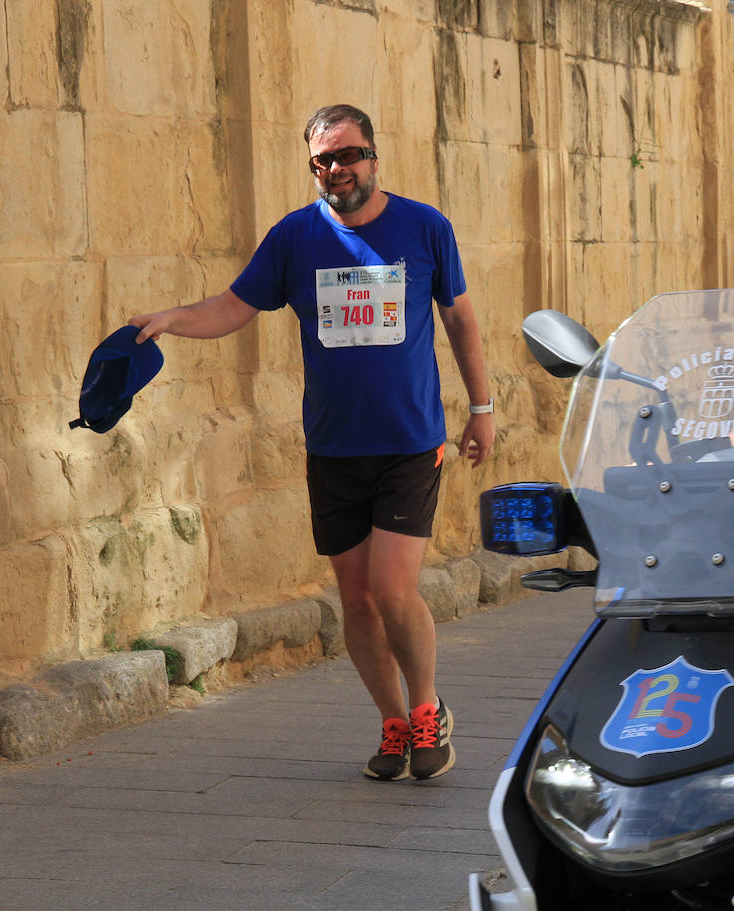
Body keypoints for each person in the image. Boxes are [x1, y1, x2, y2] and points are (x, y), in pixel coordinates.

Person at [128, 104, 495, 782]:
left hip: (411, 443)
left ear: (374, 157)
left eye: (348, 155)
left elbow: (460, 316)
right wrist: (174, 318)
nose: (337, 170)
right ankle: (391, 721)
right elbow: (236, 306)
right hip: (333, 449)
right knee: (354, 600)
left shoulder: (424, 228)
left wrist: (482, 407)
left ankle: (426, 709)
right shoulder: (295, 238)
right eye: (323, 160)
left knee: (391, 588)